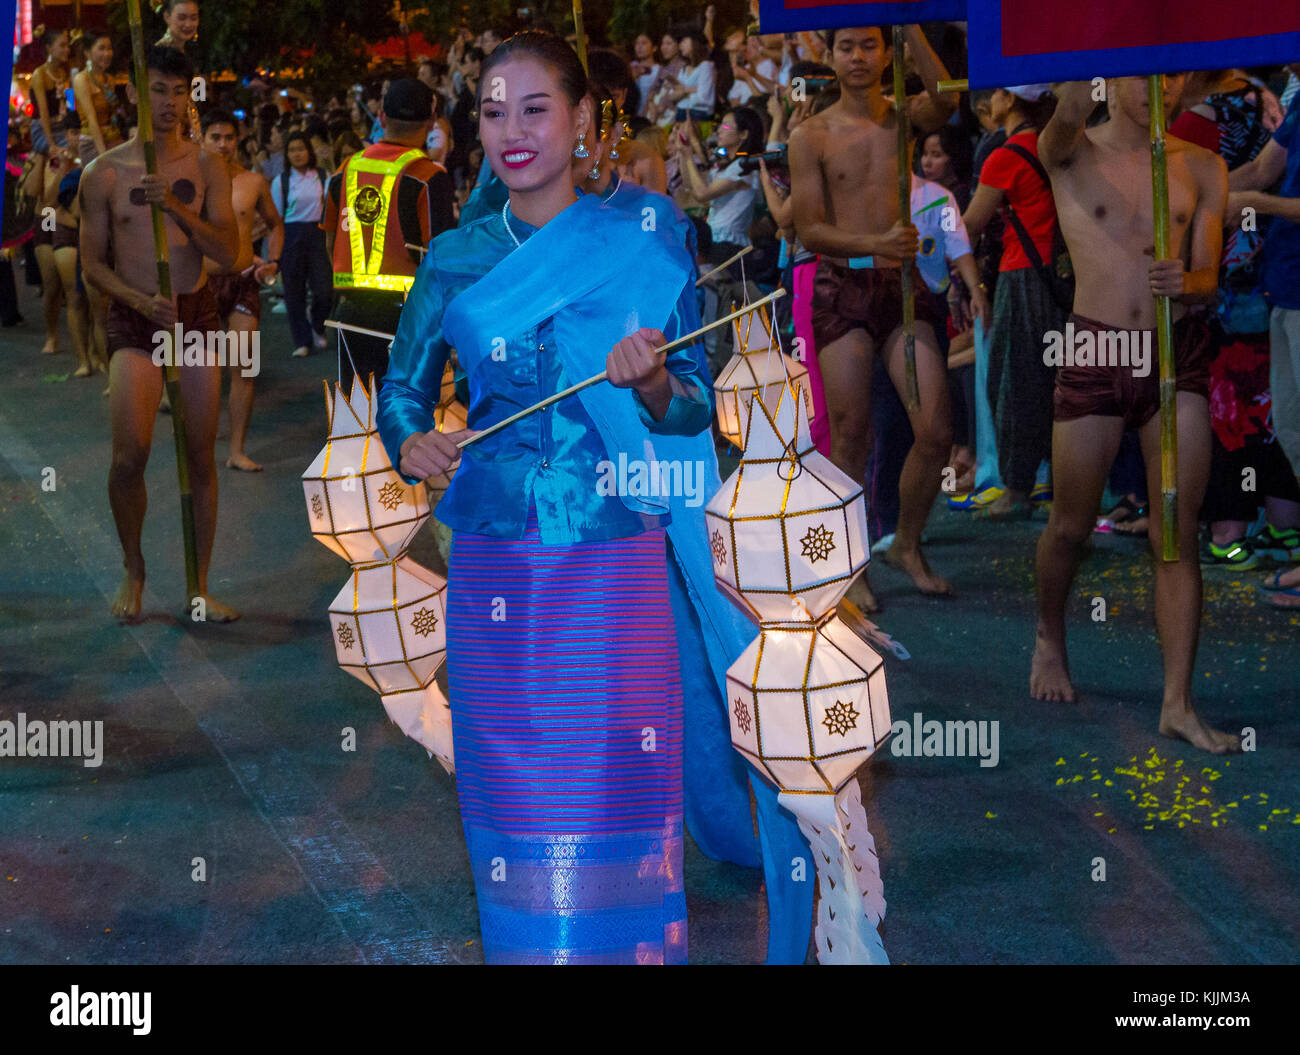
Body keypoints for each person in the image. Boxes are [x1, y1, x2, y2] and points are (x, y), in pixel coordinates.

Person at [376, 30, 811, 965]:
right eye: (493, 113)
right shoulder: (453, 256)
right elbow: (401, 390)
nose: (512, 132)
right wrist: (412, 441)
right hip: (498, 566)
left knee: (618, 772)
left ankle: (631, 949)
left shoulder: (647, 235)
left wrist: (652, 384)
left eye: (535, 109)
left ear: (581, 121)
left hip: (614, 556)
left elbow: (693, 406)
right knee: (516, 784)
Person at [1031, 77, 1238, 755]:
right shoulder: (1070, 152)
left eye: (1176, 72)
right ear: (1109, 76)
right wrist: (1077, 77)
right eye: (1144, 70)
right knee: (1069, 525)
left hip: (1178, 357)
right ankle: (1049, 636)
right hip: (1096, 347)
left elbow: (1207, 273)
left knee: (1173, 533)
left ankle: (1178, 701)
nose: (1163, 85)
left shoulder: (1205, 166)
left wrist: (1191, 280)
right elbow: (1058, 131)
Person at [787, 24, 957, 608]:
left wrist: (909, 23)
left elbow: (947, 99)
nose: (857, 56)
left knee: (935, 428)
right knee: (851, 433)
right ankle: (850, 561)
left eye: (868, 44)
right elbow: (807, 229)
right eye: (845, 46)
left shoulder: (902, 119)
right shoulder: (810, 135)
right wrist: (872, 243)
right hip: (842, 286)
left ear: (886, 54)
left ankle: (906, 541)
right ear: (828, 56)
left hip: (903, 289)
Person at [78, 45, 240, 622]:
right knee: (131, 456)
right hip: (135, 320)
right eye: (156, 90)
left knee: (200, 456)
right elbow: (91, 264)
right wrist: (138, 299)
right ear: (131, 93)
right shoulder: (102, 174)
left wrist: (173, 206)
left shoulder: (209, 166)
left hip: (195, 315)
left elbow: (231, 250)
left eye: (178, 91)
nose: (169, 103)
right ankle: (134, 566)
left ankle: (198, 588)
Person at [323, 78, 454, 389]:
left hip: (349, 312)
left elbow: (330, 241)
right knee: (410, 416)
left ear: (381, 117)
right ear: (432, 120)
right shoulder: (428, 177)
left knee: (359, 415)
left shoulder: (344, 171)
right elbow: (442, 257)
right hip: (410, 317)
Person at [201, 109, 284, 470]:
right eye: (215, 137)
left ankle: (236, 450)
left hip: (243, 282)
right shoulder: (189, 183)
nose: (223, 144)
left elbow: (275, 224)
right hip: (200, 283)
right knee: (200, 369)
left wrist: (273, 260)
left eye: (229, 138)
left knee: (243, 368)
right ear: (202, 140)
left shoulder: (253, 181)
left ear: (239, 141)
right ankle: (200, 446)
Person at [671, 106, 763, 266]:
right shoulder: (727, 166)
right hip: (716, 241)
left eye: (726, 126)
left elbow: (702, 194)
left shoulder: (744, 169)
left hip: (731, 247)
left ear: (744, 134)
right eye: (720, 125)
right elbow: (690, 185)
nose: (719, 130)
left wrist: (688, 154)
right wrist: (685, 153)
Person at [271, 132, 331, 358]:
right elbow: (276, 218)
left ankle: (318, 327)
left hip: (318, 236)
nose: (297, 154)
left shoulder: (323, 176)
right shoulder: (281, 181)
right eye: (292, 150)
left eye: (301, 149)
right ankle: (301, 340)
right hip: (291, 235)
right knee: (293, 292)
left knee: (324, 290)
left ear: (309, 151)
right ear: (287, 155)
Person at [73, 32, 123, 165]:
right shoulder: (81, 79)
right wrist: (103, 154)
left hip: (113, 138)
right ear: (87, 53)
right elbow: (91, 119)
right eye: (101, 48)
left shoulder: (109, 79)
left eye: (109, 48)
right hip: (93, 142)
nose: (107, 53)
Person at [29, 28, 72, 157]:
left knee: (80, 146)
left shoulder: (64, 72)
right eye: (62, 45)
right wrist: (52, 145)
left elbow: (71, 105)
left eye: (68, 45)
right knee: (67, 153)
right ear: (49, 48)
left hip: (61, 127)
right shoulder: (39, 74)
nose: (67, 49)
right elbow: (44, 112)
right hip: (42, 130)